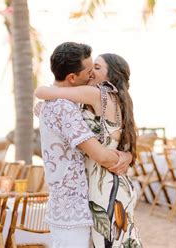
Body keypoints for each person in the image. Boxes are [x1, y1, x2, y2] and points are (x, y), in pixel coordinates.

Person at [36, 53, 142, 247]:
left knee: (108, 243)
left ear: (111, 76)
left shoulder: (96, 94)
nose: (91, 72)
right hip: (112, 182)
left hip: (104, 184)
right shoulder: (116, 98)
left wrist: (43, 97)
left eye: (98, 68)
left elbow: (45, 92)